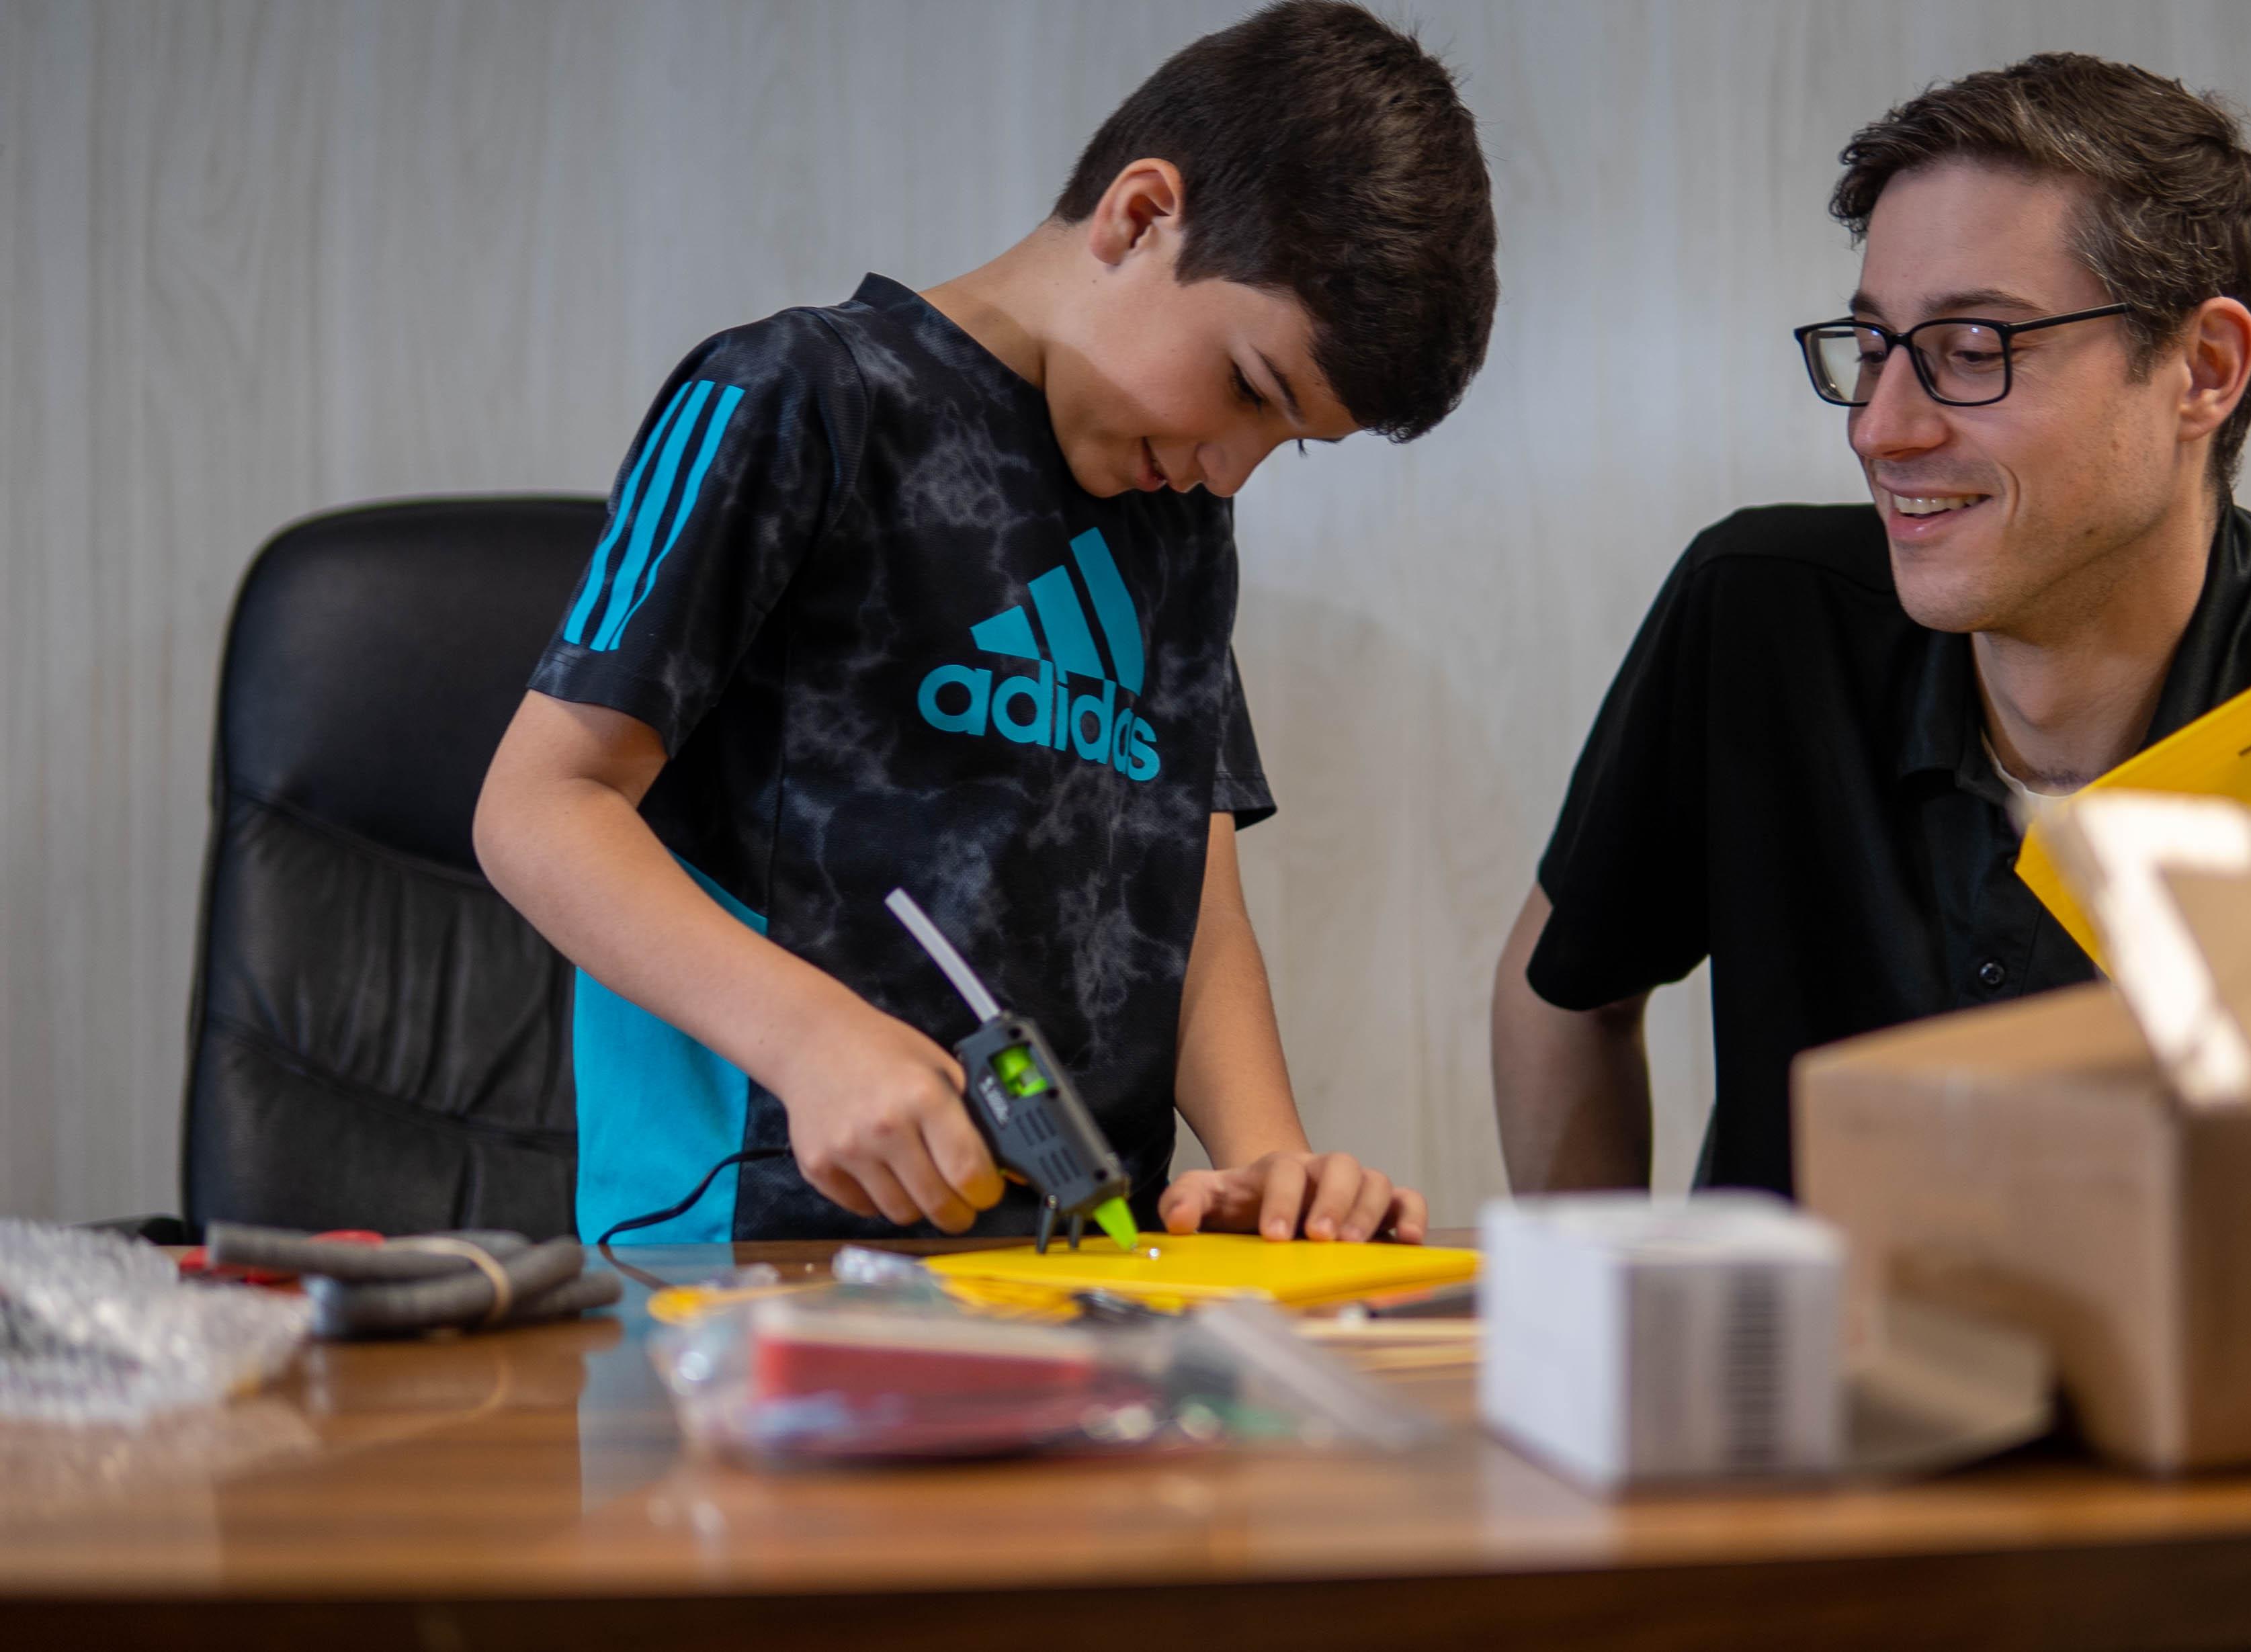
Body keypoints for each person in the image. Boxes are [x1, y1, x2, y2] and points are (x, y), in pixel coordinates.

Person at [475, 1, 1494, 1245]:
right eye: (1247, 388)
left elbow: (1196, 910)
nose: (1232, 471)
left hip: (1086, 1269)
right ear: (1139, 216)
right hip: (759, 1257)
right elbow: (540, 809)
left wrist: (1269, 1163)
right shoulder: (798, 397)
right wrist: (811, 1041)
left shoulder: (1176, 518)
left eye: (1287, 441)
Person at [1493, 52, 2251, 1199]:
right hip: (1801, 1376)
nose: (1881, 431)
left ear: (2203, 370)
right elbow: (1563, 989)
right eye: (1871, 351)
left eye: (1974, 352)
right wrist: (1618, 1343)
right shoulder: (1762, 610)